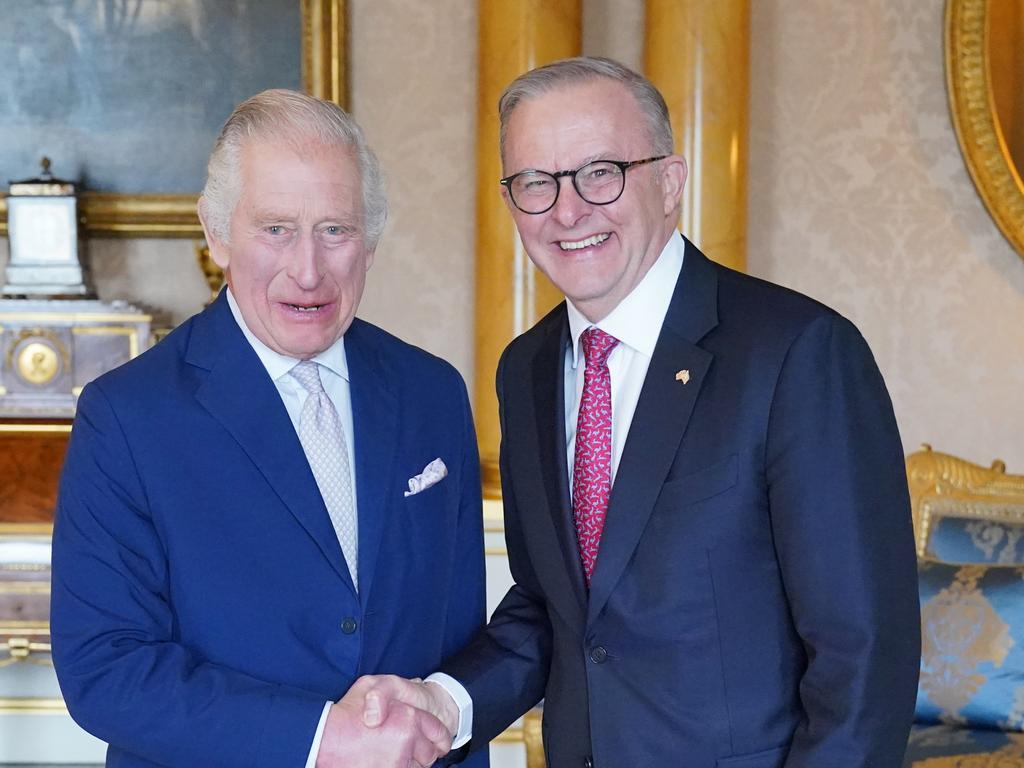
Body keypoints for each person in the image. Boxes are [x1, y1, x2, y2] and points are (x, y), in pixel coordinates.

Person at [363, 57, 920, 768]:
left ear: (669, 181)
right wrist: (445, 701)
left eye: (601, 172)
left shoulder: (796, 354)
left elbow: (865, 655)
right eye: (536, 182)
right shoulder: (526, 370)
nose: (567, 211)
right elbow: (554, 609)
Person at [50, 89, 487, 768]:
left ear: (370, 240)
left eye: (335, 229)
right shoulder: (127, 415)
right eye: (276, 228)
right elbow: (104, 668)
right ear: (217, 232)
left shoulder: (432, 392)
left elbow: (461, 642)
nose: (307, 269)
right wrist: (323, 739)